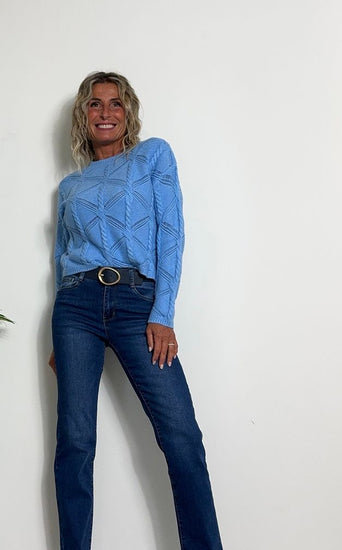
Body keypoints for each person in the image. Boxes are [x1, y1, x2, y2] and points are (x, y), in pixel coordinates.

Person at [49, 71, 223, 550]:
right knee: (75, 443)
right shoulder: (69, 186)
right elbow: (61, 259)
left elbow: (171, 234)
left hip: (136, 303)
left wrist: (162, 313)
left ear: (128, 113)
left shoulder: (153, 155)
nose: (105, 112)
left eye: (115, 103)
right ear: (83, 115)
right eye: (95, 104)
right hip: (75, 308)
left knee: (182, 435)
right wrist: (59, 339)